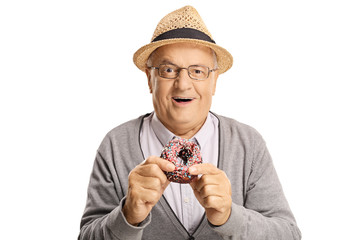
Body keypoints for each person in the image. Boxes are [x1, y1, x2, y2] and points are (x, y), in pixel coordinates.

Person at [79, 5, 301, 240]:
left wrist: (229, 216)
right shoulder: (116, 145)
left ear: (214, 80)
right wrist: (127, 216)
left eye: (197, 71)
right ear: (149, 78)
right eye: (168, 69)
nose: (183, 84)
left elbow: (288, 235)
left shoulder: (247, 144)